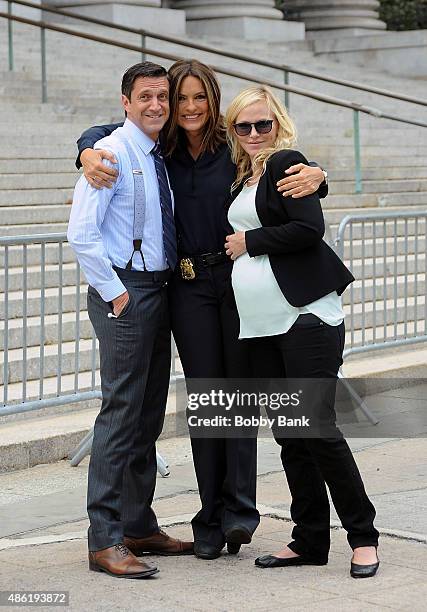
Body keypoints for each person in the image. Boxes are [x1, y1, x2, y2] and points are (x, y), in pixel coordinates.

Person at [75, 60, 327, 561]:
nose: (187, 107)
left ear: (212, 101)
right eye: (179, 98)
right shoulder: (158, 148)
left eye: (197, 98)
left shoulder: (231, 148)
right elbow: (108, 131)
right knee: (206, 400)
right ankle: (208, 519)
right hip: (183, 287)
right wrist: (83, 150)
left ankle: (239, 513)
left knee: (238, 397)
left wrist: (320, 177)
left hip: (233, 283)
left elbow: (277, 160)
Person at [224, 85, 380, 578]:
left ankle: (363, 537)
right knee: (291, 435)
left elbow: (308, 229)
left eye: (262, 124)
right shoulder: (241, 175)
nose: (253, 134)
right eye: (243, 126)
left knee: (319, 429)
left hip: (305, 316)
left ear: (279, 125)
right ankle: (309, 539)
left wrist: (250, 241)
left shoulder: (286, 161)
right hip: (262, 323)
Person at [67, 61, 193, 580]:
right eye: (146, 96)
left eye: (163, 96)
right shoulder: (111, 153)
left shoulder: (158, 153)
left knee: (146, 413)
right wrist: (117, 294)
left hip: (159, 288)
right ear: (125, 101)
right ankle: (105, 538)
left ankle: (139, 524)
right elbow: (81, 233)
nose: (157, 105)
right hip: (126, 289)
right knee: (120, 413)